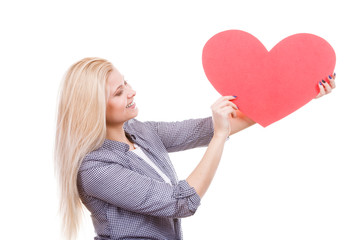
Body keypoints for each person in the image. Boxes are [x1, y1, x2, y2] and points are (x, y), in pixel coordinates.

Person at [54, 57, 336, 240]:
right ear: (93, 108)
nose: (131, 91)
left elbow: (207, 127)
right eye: (118, 92)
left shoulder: (139, 132)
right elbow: (181, 203)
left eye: (125, 82)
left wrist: (300, 92)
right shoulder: (95, 168)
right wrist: (218, 138)